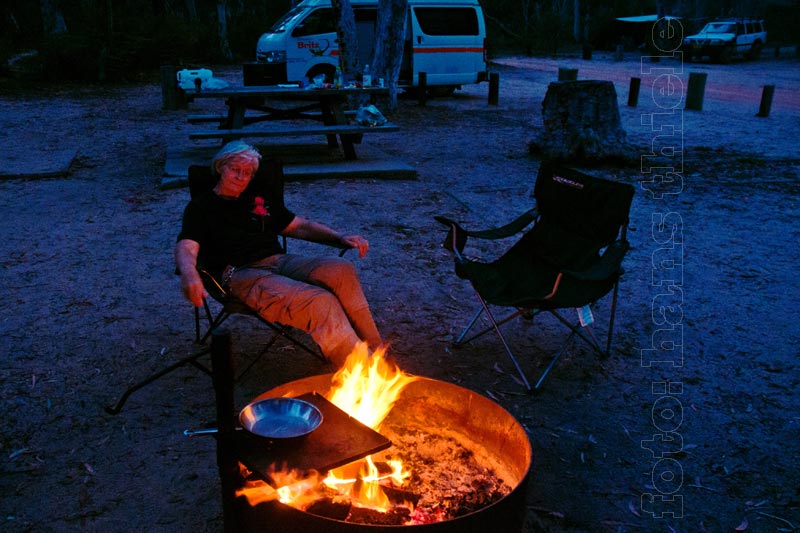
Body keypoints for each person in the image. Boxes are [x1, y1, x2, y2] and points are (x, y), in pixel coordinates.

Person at [174, 141, 382, 367]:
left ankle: (378, 354)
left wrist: (339, 237)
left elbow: (299, 226)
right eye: (235, 169)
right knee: (321, 302)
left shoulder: (257, 198)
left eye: (248, 173)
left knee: (341, 270)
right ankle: (363, 373)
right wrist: (189, 274)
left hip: (278, 261)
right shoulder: (201, 206)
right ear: (220, 167)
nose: (241, 177)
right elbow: (187, 246)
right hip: (242, 274)